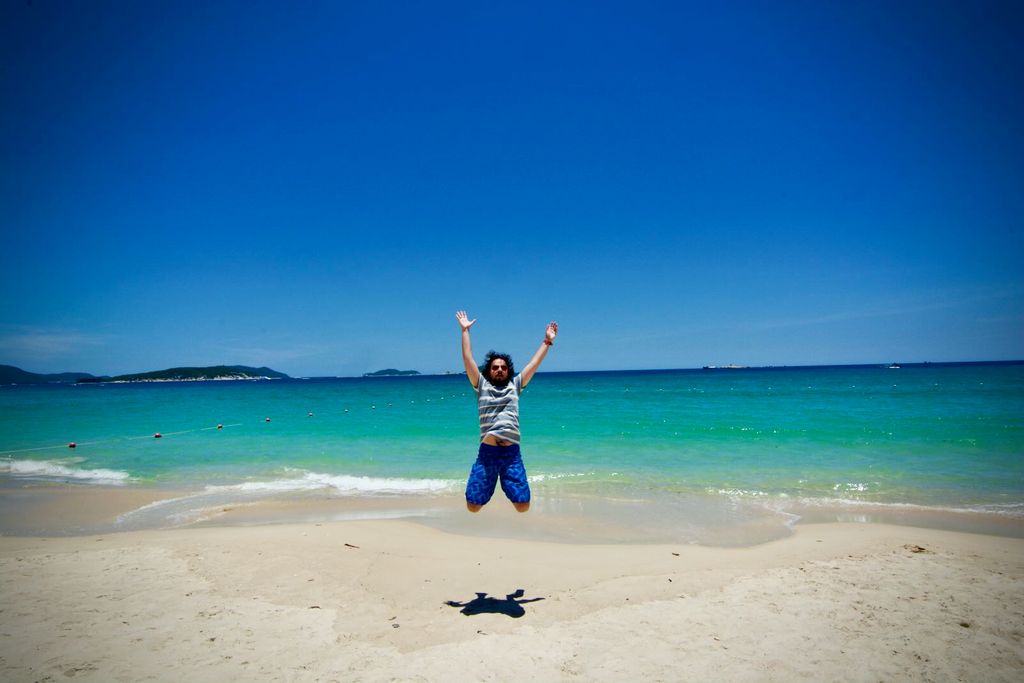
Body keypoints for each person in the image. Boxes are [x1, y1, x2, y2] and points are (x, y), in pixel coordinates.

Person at [455, 310, 558, 513]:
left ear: (508, 370)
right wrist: (465, 331)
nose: (500, 369)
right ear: (489, 371)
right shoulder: (481, 386)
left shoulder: (515, 386)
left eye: (503, 367)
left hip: (512, 455)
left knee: (523, 506)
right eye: (495, 367)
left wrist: (547, 341)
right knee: (472, 507)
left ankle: (504, 482)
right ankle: (492, 479)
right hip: (488, 454)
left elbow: (533, 364)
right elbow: (468, 359)